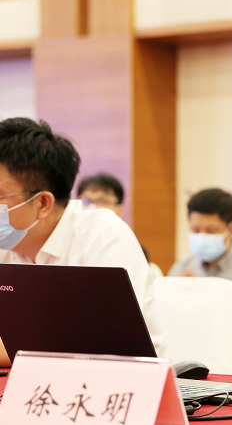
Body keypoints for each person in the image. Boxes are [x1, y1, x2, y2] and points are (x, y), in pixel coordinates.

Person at [0, 117, 166, 358]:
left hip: (126, 378)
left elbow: (102, 346)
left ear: (43, 203)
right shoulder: (8, 245)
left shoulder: (103, 236)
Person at [77, 172, 164, 278]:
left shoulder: (126, 248)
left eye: (103, 201)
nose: (93, 207)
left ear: (120, 211)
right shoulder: (69, 244)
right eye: (86, 201)